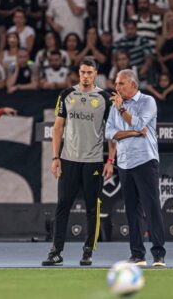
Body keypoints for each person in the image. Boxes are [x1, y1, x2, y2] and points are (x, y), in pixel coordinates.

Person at [42, 58, 115, 266]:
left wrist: (110, 160)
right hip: (68, 160)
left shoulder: (104, 98)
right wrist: (55, 158)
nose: (85, 76)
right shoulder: (66, 95)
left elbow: (111, 134)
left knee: (92, 208)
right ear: (78, 73)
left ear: (95, 74)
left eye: (89, 73)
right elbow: (58, 128)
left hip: (93, 162)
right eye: (82, 72)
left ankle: (87, 251)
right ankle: (56, 251)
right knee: (62, 207)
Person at [105, 69, 166, 267]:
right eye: (116, 84)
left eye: (121, 84)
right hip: (124, 162)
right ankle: (138, 254)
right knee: (132, 210)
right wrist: (132, 132)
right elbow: (109, 133)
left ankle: (158, 254)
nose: (116, 88)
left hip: (145, 160)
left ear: (133, 84)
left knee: (152, 207)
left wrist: (123, 110)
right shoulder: (115, 106)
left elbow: (140, 123)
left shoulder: (147, 101)